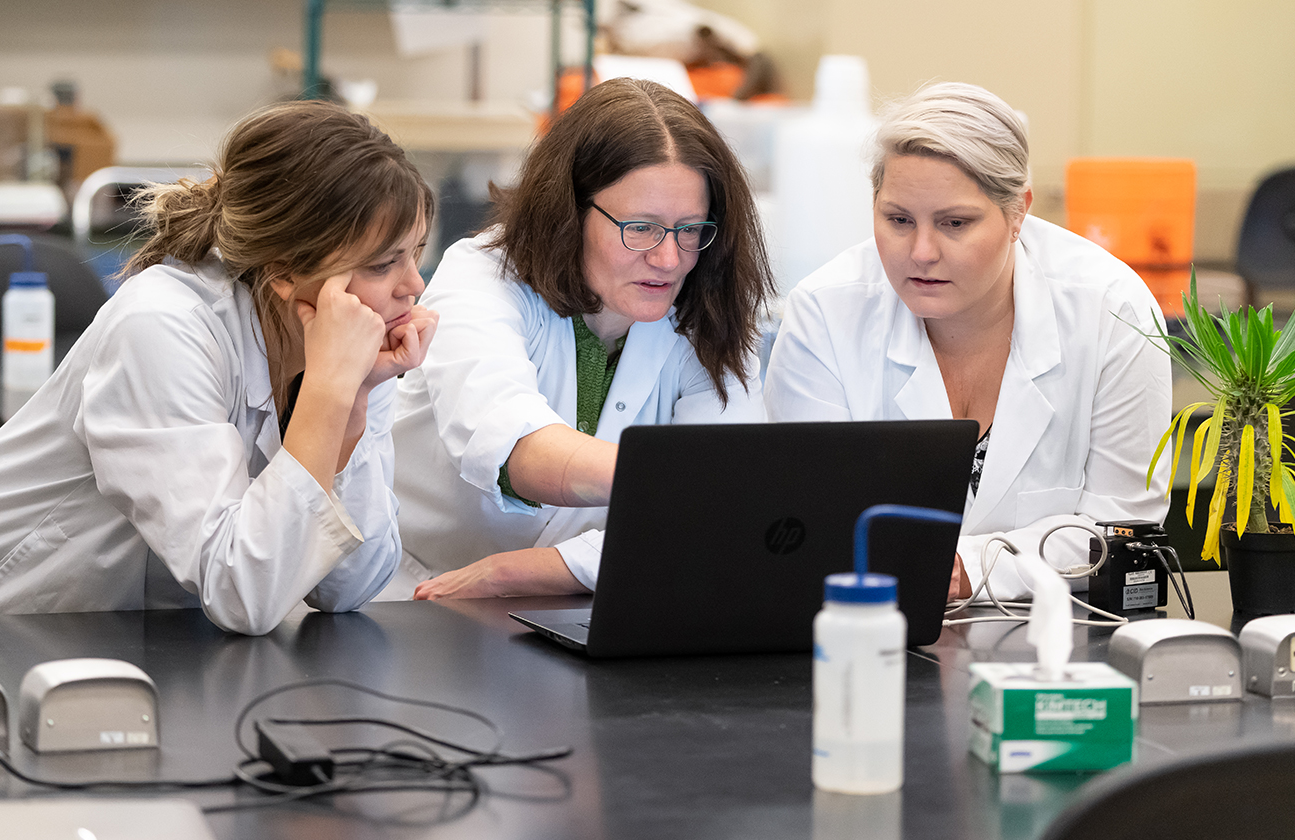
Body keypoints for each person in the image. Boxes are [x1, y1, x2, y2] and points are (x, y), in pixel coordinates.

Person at [0, 101, 438, 634]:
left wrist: (353, 399)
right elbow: (243, 591)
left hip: (100, 635)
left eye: (415, 253)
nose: (412, 285)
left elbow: (349, 587)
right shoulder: (163, 326)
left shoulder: (346, 351)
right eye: (383, 263)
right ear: (285, 270)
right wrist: (328, 395)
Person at [764, 82, 1172, 601]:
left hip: (1060, 640)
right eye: (898, 220)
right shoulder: (825, 312)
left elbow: (1123, 530)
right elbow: (808, 522)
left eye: (955, 223)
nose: (922, 252)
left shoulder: (1112, 309)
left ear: (1018, 212)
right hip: (876, 628)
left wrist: (964, 566)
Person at [392, 77, 773, 601]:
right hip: (419, 597)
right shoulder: (481, 279)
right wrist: (693, 483)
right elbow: (517, 452)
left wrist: (535, 571)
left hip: (586, 595)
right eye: (639, 227)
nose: (669, 259)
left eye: (690, 229)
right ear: (569, 211)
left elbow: (719, 521)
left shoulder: (706, 311)